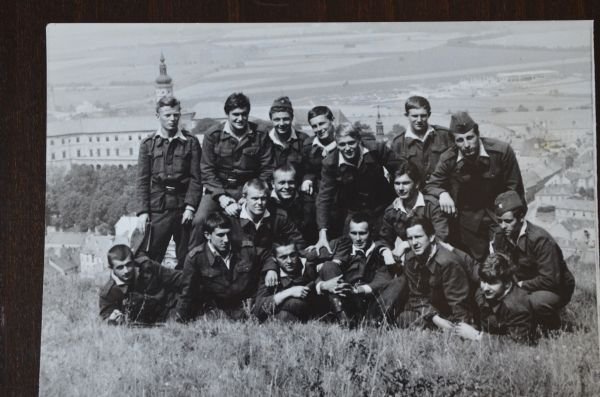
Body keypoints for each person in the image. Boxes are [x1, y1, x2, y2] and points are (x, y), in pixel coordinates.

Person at [424, 111, 524, 261]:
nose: (466, 145)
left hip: (499, 218)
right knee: (473, 268)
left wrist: (509, 223)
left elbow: (515, 190)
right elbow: (431, 185)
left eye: (470, 138)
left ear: (477, 134)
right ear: (454, 142)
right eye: (460, 140)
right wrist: (442, 194)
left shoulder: (501, 152)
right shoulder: (448, 159)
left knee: (505, 264)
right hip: (467, 225)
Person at [189, 92, 274, 248]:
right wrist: (222, 198)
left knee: (249, 226)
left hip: (248, 190)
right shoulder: (213, 135)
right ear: (227, 114)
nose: (240, 119)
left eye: (244, 114)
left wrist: (248, 196)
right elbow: (207, 170)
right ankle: (193, 264)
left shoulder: (260, 134)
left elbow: (267, 169)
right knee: (200, 221)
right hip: (218, 190)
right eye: (235, 114)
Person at [490, 190, 575, 330]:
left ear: (521, 217)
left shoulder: (540, 239)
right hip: (524, 283)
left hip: (556, 287)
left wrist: (519, 286)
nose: (503, 226)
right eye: (499, 221)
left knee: (534, 302)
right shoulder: (501, 236)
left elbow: (550, 279)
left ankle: (556, 327)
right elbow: (499, 265)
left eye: (508, 221)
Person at [313, 123, 404, 253]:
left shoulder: (376, 149)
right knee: (349, 249)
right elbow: (324, 198)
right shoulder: (330, 163)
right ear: (336, 145)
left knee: (386, 246)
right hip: (354, 210)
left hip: (383, 206)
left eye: (351, 143)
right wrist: (322, 233)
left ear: (359, 140)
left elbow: (401, 170)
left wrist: (399, 196)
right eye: (342, 145)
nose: (347, 148)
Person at [136, 95, 202, 267]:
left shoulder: (191, 143)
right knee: (151, 258)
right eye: (167, 115)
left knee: (187, 259)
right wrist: (143, 212)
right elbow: (142, 180)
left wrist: (190, 207)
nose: (172, 119)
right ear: (158, 116)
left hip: (183, 208)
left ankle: (184, 293)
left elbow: (197, 178)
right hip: (159, 208)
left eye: (176, 115)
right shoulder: (148, 145)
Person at [312, 213, 406, 326]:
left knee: (401, 280)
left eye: (362, 233)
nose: (357, 238)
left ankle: (375, 321)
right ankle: (344, 319)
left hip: (371, 302)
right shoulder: (342, 247)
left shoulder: (380, 252)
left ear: (371, 232)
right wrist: (323, 285)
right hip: (347, 301)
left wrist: (358, 290)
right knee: (328, 265)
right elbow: (315, 271)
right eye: (353, 233)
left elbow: (383, 280)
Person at [176, 212, 269, 322]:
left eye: (228, 234)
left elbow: (266, 255)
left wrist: (270, 270)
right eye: (220, 235)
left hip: (244, 308)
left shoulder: (243, 248)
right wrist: (180, 321)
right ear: (207, 235)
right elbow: (187, 293)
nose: (226, 240)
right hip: (216, 311)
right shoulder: (195, 258)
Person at [396, 216, 473, 330]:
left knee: (459, 328)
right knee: (404, 318)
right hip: (431, 313)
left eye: (418, 237)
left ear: (431, 237)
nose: (414, 243)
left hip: (450, 313)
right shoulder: (410, 258)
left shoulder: (448, 262)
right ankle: (434, 328)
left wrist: (461, 327)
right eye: (410, 238)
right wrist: (434, 318)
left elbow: (459, 303)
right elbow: (416, 297)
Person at [454, 253, 536, 344]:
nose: (485, 288)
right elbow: (469, 263)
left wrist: (476, 335)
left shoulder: (517, 307)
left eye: (492, 283)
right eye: (483, 281)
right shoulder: (490, 289)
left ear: (507, 284)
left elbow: (517, 343)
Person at [99, 245, 183, 325]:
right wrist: (112, 320)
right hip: (147, 325)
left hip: (172, 309)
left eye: (128, 265)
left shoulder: (147, 266)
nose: (126, 271)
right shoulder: (108, 293)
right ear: (111, 268)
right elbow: (106, 318)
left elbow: (177, 278)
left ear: (133, 261)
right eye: (120, 267)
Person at [379, 162, 449, 257]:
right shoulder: (392, 211)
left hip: (434, 255)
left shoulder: (431, 205)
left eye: (405, 183)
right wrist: (386, 252)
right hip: (410, 259)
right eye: (397, 183)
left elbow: (441, 237)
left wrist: (407, 244)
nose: (400, 188)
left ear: (417, 184)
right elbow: (384, 239)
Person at [228, 178, 306, 252]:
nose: (259, 203)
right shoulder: (233, 218)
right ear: (245, 197)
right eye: (255, 198)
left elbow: (297, 240)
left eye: (263, 198)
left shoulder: (279, 216)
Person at [389, 96, 452, 185]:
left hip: (443, 192)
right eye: (414, 116)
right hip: (415, 195)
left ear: (429, 115)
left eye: (423, 116)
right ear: (407, 115)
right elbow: (395, 176)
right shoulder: (398, 143)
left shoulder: (444, 136)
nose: (419, 120)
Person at [252, 241, 316, 323]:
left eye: (292, 255)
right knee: (285, 314)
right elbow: (258, 309)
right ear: (274, 259)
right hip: (285, 316)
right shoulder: (271, 275)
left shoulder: (307, 267)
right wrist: (289, 292)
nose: (289, 261)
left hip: (309, 312)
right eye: (283, 257)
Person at [268, 163, 318, 243]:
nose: (287, 187)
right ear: (273, 184)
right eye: (282, 183)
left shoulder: (306, 199)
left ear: (296, 183)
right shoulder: (265, 202)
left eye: (291, 182)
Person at [267, 96, 310, 180]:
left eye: (286, 119)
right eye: (277, 119)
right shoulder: (264, 140)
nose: (282, 124)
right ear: (271, 119)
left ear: (292, 118)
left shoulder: (303, 140)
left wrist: (307, 180)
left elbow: (310, 169)